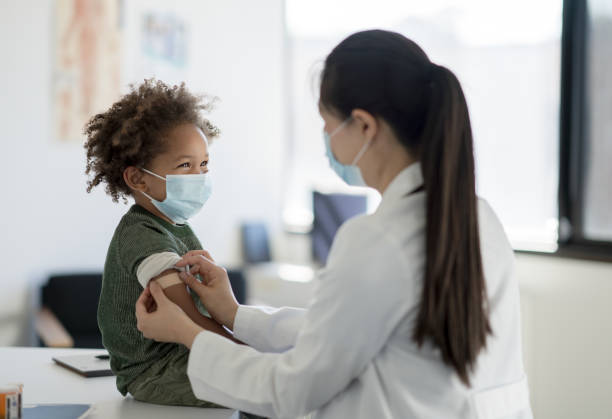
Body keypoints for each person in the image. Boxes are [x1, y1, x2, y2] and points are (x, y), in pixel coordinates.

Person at [135, 30, 533, 419]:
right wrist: (235, 314)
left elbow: (289, 390)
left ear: (364, 125)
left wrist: (188, 333)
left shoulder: (377, 239)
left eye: (327, 124)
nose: (326, 140)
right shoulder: (480, 218)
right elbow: (339, 333)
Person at [85, 79, 236, 407]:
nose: (199, 176)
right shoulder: (142, 235)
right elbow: (188, 317)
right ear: (137, 179)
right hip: (155, 371)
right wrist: (245, 355)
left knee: (266, 380)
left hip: (185, 354)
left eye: (204, 164)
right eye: (185, 166)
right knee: (255, 388)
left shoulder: (175, 226)